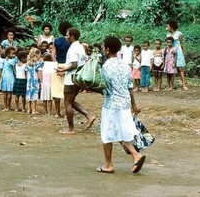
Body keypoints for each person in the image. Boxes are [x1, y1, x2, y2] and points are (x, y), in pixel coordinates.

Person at [96, 36, 145, 174]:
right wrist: (134, 105)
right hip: (125, 103)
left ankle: (109, 164)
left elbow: (104, 88)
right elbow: (130, 86)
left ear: (107, 50)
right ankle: (136, 155)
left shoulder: (105, 67)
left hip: (111, 104)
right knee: (122, 131)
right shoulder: (125, 65)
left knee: (107, 133)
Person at [56, 27, 95, 134]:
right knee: (71, 101)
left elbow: (74, 64)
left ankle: (71, 128)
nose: (65, 37)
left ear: (72, 36)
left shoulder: (73, 48)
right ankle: (89, 116)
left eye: (67, 35)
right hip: (77, 77)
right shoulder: (80, 47)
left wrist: (63, 69)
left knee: (67, 102)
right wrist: (64, 69)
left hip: (71, 78)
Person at [166, 19, 188, 91]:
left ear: (171, 27)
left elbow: (181, 43)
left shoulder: (179, 33)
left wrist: (181, 52)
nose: (166, 27)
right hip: (171, 52)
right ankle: (170, 85)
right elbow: (168, 44)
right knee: (171, 69)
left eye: (167, 26)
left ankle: (183, 84)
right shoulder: (168, 35)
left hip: (178, 51)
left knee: (180, 68)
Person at [0, 46, 18, 111]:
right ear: (8, 54)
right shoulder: (12, 61)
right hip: (10, 77)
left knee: (5, 93)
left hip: (4, 77)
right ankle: (8, 106)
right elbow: (17, 60)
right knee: (9, 93)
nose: (14, 55)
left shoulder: (4, 61)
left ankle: (6, 106)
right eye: (13, 53)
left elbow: (1, 69)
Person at [25, 48, 42, 114]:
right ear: (37, 55)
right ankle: (34, 109)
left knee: (29, 93)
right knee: (34, 94)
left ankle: (29, 109)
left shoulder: (27, 64)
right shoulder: (38, 64)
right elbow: (39, 73)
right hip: (35, 81)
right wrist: (41, 81)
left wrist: (27, 80)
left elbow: (26, 74)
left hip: (29, 81)